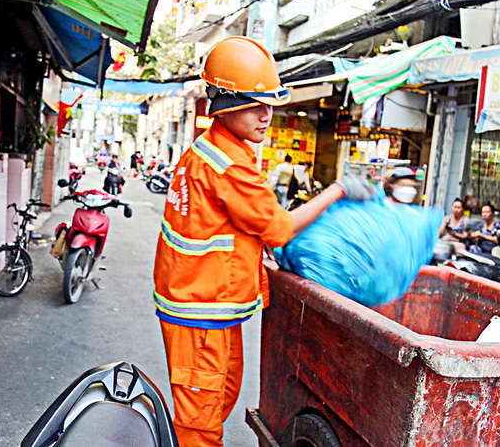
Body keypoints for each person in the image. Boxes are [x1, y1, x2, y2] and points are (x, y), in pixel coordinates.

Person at [152, 36, 375, 447]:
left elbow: (232, 228)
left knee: (219, 400)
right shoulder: (229, 165)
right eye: (255, 104)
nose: (266, 114)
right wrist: (338, 190)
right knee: (198, 427)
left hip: (209, 308)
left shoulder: (210, 150)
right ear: (224, 103)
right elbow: (280, 228)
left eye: (270, 103)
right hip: (200, 314)